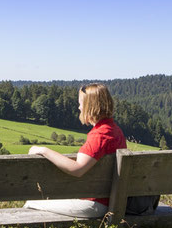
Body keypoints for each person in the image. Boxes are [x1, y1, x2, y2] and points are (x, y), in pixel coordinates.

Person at [24, 83, 126, 218]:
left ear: (90, 106)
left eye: (81, 104)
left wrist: (43, 150)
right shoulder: (115, 130)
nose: (79, 107)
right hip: (111, 201)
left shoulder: (100, 135)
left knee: (31, 203)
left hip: (95, 204)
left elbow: (78, 169)